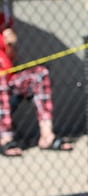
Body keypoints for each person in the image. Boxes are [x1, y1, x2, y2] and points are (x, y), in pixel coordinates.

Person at [0, 25, 71, 157]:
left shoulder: (4, 19)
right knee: (1, 78)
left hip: (9, 82)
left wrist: (10, 45)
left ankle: (46, 136)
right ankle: (5, 138)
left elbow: (12, 56)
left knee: (40, 74)